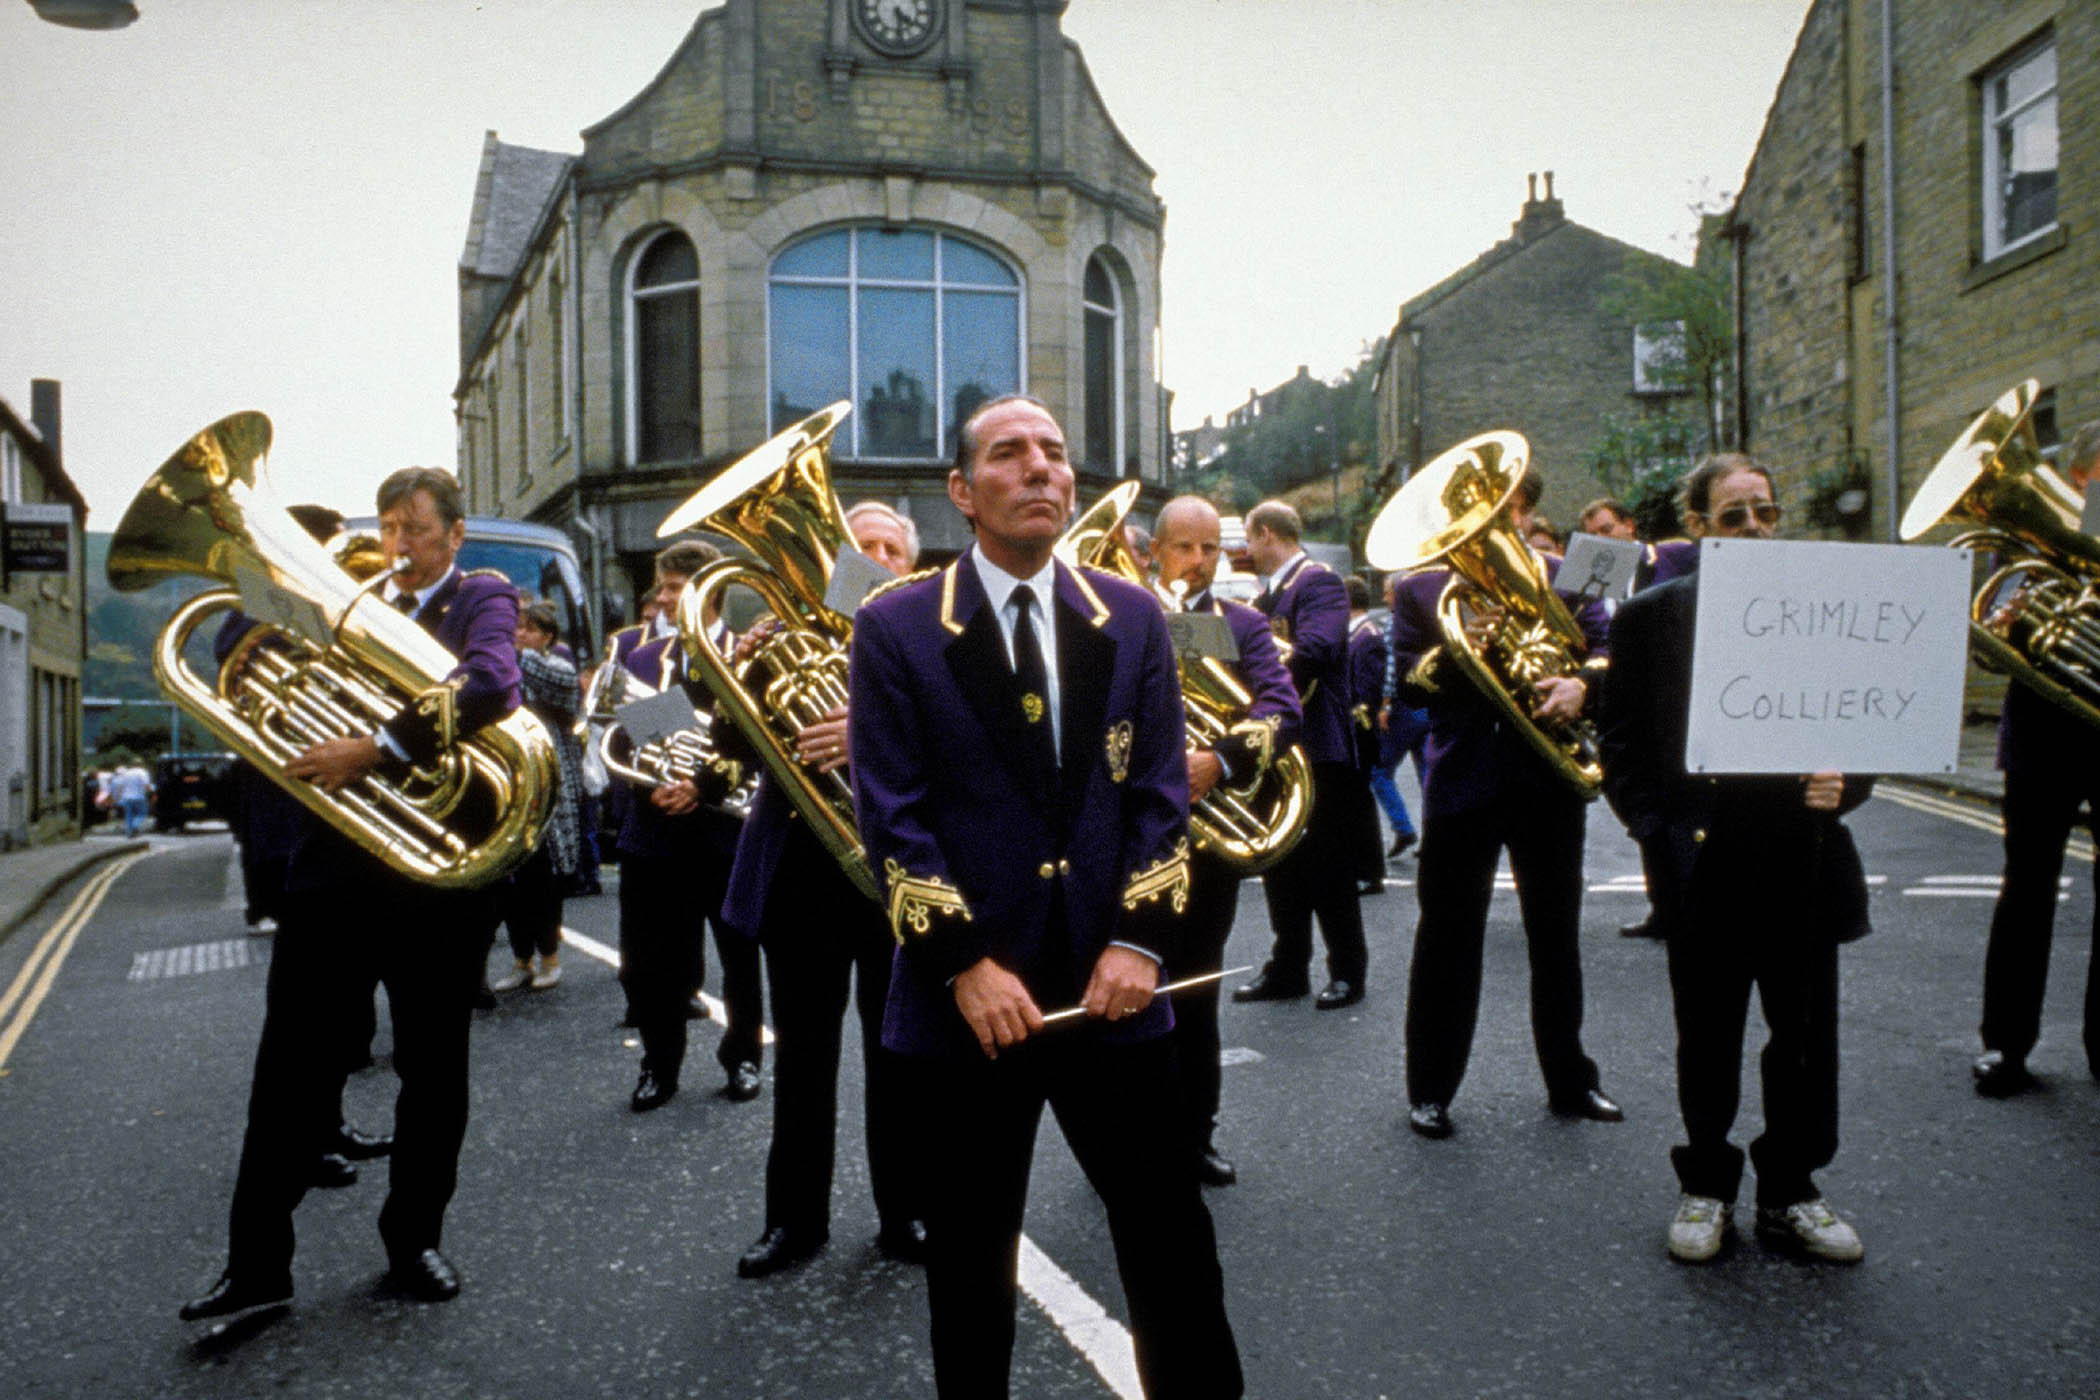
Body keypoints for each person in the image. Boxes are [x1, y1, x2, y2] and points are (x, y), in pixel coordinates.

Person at [851, 395, 1241, 1399]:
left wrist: (1141, 944)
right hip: (970, 1006)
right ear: (962, 491)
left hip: (1117, 990)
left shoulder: (1134, 613)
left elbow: (1160, 797)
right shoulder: (897, 624)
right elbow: (891, 819)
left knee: (1171, 1243)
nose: (1040, 469)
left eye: (1055, 454)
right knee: (972, 1262)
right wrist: (965, 965)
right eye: (1010, 453)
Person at [182, 466, 519, 1321]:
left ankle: (415, 1241)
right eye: (390, 528)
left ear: (454, 533)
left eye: (415, 530)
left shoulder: (481, 596)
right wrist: (260, 618)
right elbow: (227, 649)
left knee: (432, 1072)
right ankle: (256, 1267)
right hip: (331, 871)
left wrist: (373, 747)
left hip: (437, 876)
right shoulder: (344, 596)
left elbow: (491, 685)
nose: (398, 547)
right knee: (288, 1069)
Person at [1600, 452, 1872, 1264]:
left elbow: (1864, 718)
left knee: (1805, 1037)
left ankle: (1793, 1191)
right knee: (1708, 1035)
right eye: (1734, 516)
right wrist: (1656, 829)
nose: (1754, 527)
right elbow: (1620, 742)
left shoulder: (1823, 609)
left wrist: (1846, 782)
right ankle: (1707, 1185)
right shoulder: (1650, 617)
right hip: (1705, 861)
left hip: (1804, 853)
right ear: (1697, 527)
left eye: (1765, 511)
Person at [1389, 464, 1621, 1139]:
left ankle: (1572, 1081)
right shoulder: (1421, 588)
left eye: (1506, 505)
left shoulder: (1569, 572)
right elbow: (1409, 686)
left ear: (1523, 505)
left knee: (1556, 938)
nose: (1498, 520)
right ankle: (1430, 1088)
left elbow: (1610, 652)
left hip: (1547, 777)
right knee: (1445, 939)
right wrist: (1465, 650)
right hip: (1463, 780)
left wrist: (1582, 685)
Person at [728, 498, 927, 1278]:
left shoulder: (935, 633)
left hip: (898, 875)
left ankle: (905, 1210)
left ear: (909, 564)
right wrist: (738, 680)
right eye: (862, 544)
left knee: (898, 1055)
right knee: (802, 1061)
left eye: (890, 547)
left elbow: (968, 734)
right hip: (802, 875)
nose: (876, 557)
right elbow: (727, 747)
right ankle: (793, 1222)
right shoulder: (784, 636)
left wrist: (865, 726)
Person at [1150, 495, 1301, 1189]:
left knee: (1195, 993)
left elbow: (1281, 706)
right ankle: (1131, 1137)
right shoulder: (1120, 613)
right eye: (1184, 547)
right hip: (1132, 838)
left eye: (1210, 548)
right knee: (1125, 993)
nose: (1198, 560)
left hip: (1208, 838)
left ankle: (1194, 1136)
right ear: (1155, 550)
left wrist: (1222, 758)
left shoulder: (1241, 624)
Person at [1972, 419, 2100, 1097]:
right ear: (2080, 478)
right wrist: (2010, 616)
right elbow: (1992, 634)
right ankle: (2007, 1047)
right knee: (2026, 890)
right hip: (2042, 740)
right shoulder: (2031, 538)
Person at [614, 541, 764, 1111]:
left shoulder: (745, 654)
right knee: (653, 961)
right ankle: (659, 1063)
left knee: (739, 958)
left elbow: (753, 748)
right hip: (654, 831)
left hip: (726, 833)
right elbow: (625, 740)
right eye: (662, 585)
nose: (662, 598)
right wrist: (654, 782)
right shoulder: (644, 659)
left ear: (709, 591)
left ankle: (743, 1057)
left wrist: (700, 785)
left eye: (675, 587)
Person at [1232, 499, 1366, 1010]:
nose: (1246, 549)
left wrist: (1255, 669)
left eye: (1248, 537)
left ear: (1266, 533)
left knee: (1330, 867)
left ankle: (1347, 971)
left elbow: (1319, 646)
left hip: (1319, 744)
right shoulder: (1266, 595)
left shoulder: (1318, 581)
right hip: (1280, 744)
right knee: (1281, 864)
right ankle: (1288, 967)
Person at [490, 600, 582, 993]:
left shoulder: (556, 665)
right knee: (513, 881)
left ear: (547, 636)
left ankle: (550, 959)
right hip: (512, 781)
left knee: (545, 881)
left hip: (548, 783)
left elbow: (558, 684)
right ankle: (521, 960)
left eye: (528, 629)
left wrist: (506, 650)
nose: (519, 635)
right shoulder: (509, 663)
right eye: (516, 628)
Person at [1344, 573, 1394, 895]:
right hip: (1353, 733)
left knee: (1360, 804)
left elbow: (1366, 693)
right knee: (1355, 803)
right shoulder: (1356, 635)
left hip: (1359, 734)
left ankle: (1369, 872)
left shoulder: (1367, 636)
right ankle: (1361, 868)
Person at [107, 756, 152, 838]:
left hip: (126, 797)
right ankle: (134, 826)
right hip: (139, 796)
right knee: (142, 813)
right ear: (141, 764)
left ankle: (129, 833)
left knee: (129, 815)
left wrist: (118, 797)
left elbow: (121, 786)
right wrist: (151, 792)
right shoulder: (142, 772)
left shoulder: (127, 773)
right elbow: (146, 785)